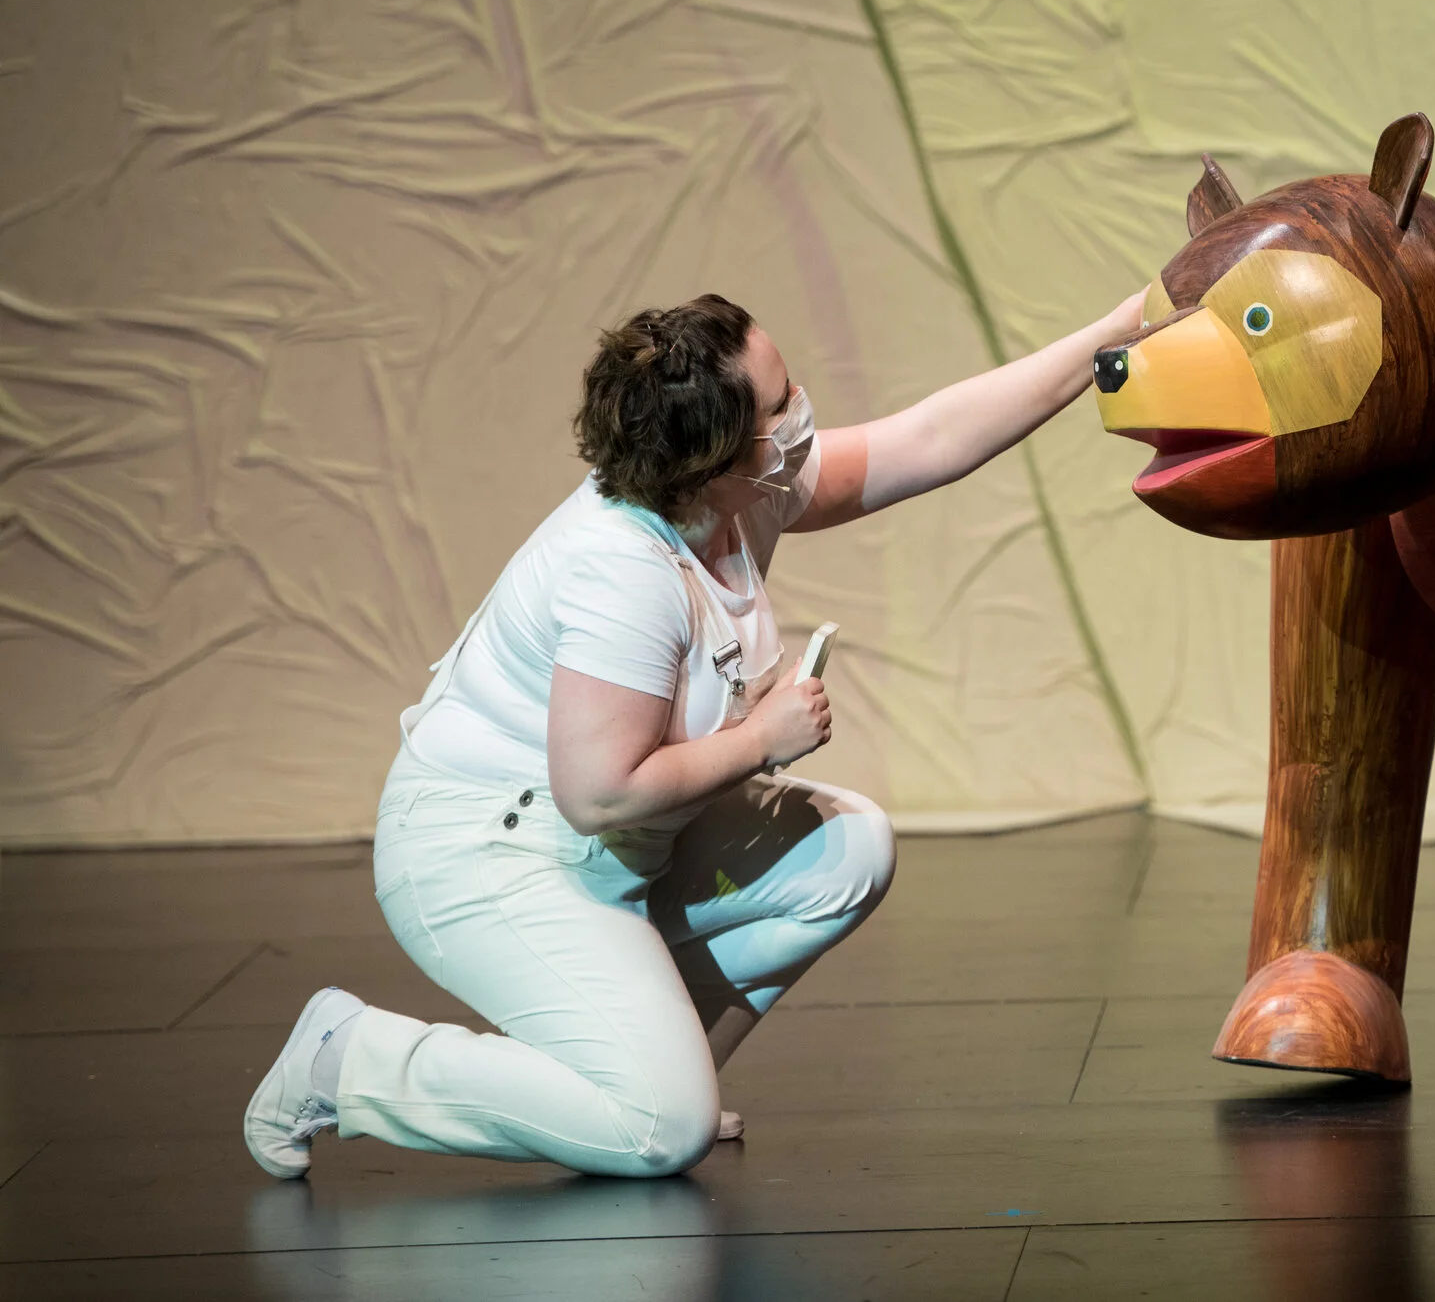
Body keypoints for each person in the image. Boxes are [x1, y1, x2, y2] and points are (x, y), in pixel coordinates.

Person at [245, 288, 1142, 1178]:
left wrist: (1124, 325)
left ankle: (660, 1087)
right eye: (781, 403)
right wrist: (761, 741)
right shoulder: (624, 568)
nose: (802, 408)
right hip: (488, 854)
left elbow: (933, 438)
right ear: (717, 452)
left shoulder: (744, 494)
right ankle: (350, 1057)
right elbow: (598, 793)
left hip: (618, 842)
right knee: (660, 1130)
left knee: (848, 851)